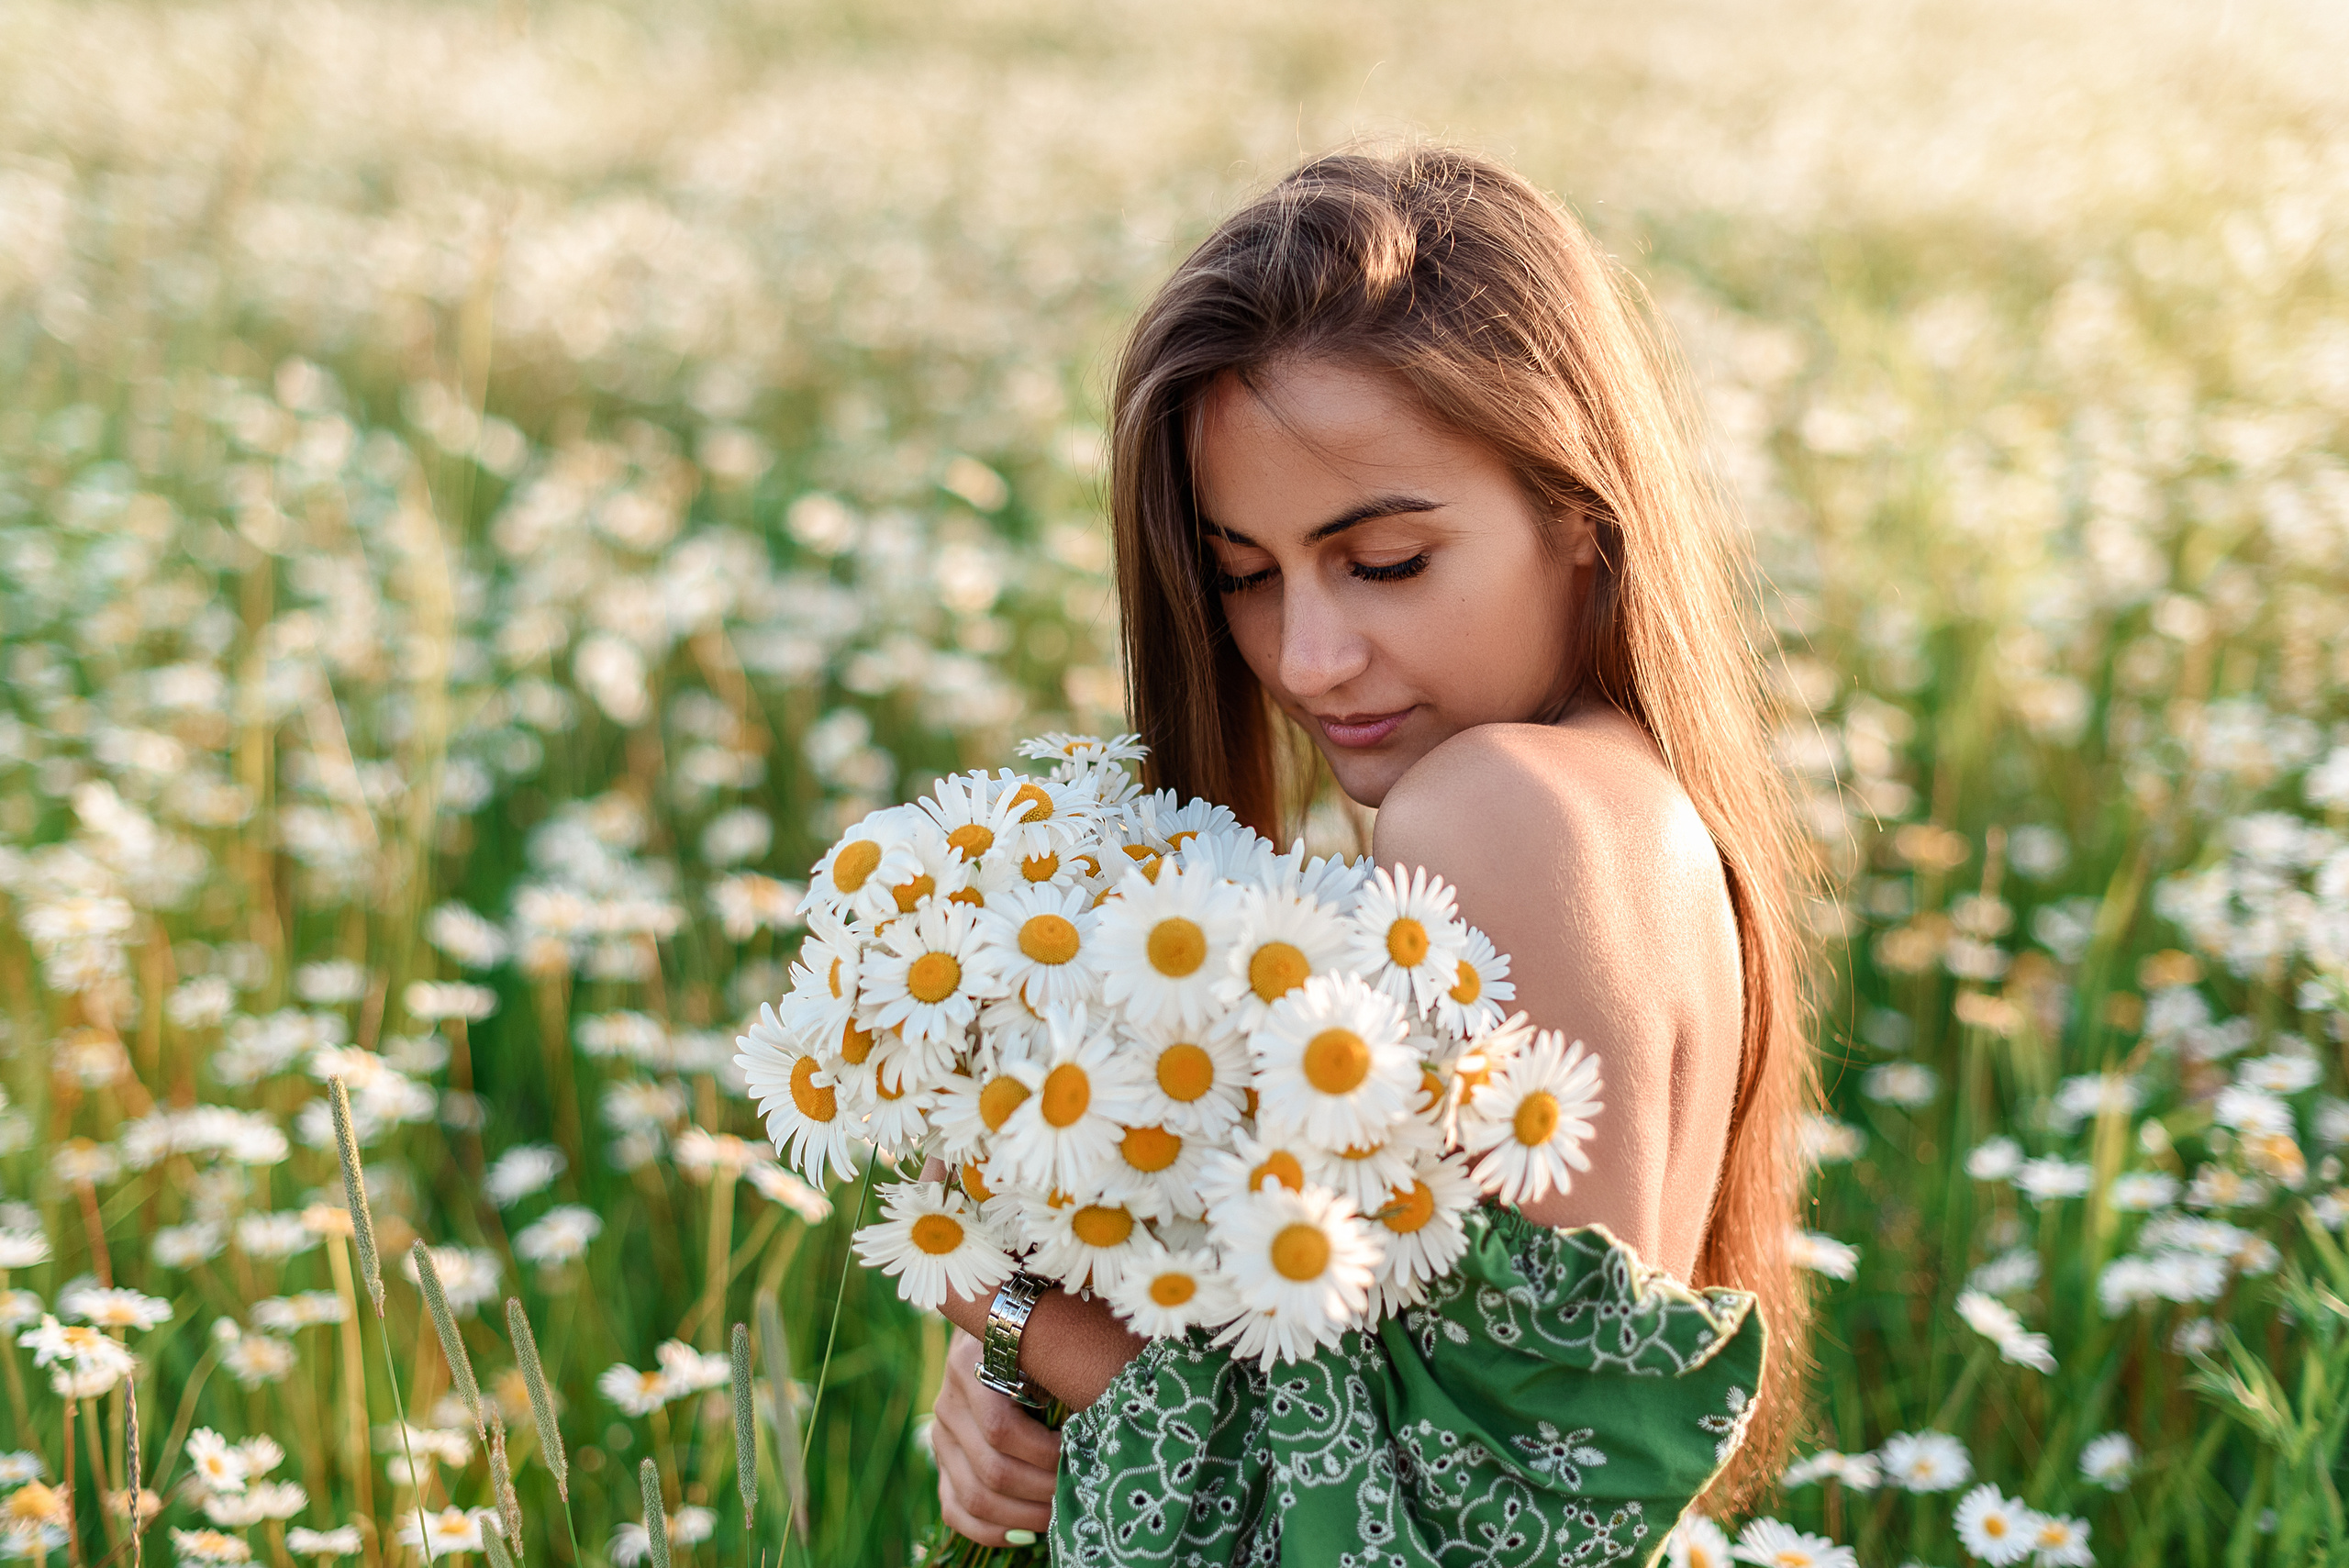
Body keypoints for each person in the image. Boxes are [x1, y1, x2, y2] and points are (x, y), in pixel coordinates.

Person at [922, 144, 1817, 1562]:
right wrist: (1011, 1381)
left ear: (1578, 514)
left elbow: (1458, 1531)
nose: (1310, 658)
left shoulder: (1493, 808)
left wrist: (1012, 1307)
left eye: (1385, 559)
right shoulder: (1633, 811)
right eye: (1244, 575)